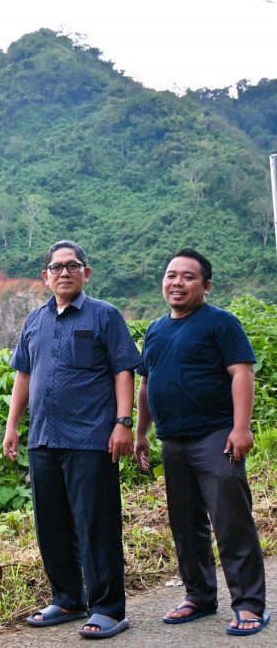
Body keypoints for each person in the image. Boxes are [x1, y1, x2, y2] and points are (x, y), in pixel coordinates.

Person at [1, 240, 141, 639]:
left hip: (91, 437)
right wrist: (13, 426)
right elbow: (23, 375)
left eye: (72, 265)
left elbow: (122, 370)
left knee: (96, 524)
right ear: (45, 276)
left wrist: (124, 422)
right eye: (56, 267)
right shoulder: (34, 320)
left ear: (86, 272)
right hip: (43, 438)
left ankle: (109, 607)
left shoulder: (105, 316)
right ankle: (66, 598)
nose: (64, 272)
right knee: (52, 524)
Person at [135, 248, 269, 636]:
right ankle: (199, 596)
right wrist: (142, 432)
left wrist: (241, 428)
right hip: (172, 439)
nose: (177, 282)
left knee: (231, 521)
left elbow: (241, 374)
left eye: (188, 277)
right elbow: (147, 383)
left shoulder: (220, 323)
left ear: (206, 285)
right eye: (171, 275)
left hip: (215, 436)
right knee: (185, 522)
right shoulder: (157, 330)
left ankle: (249, 604)